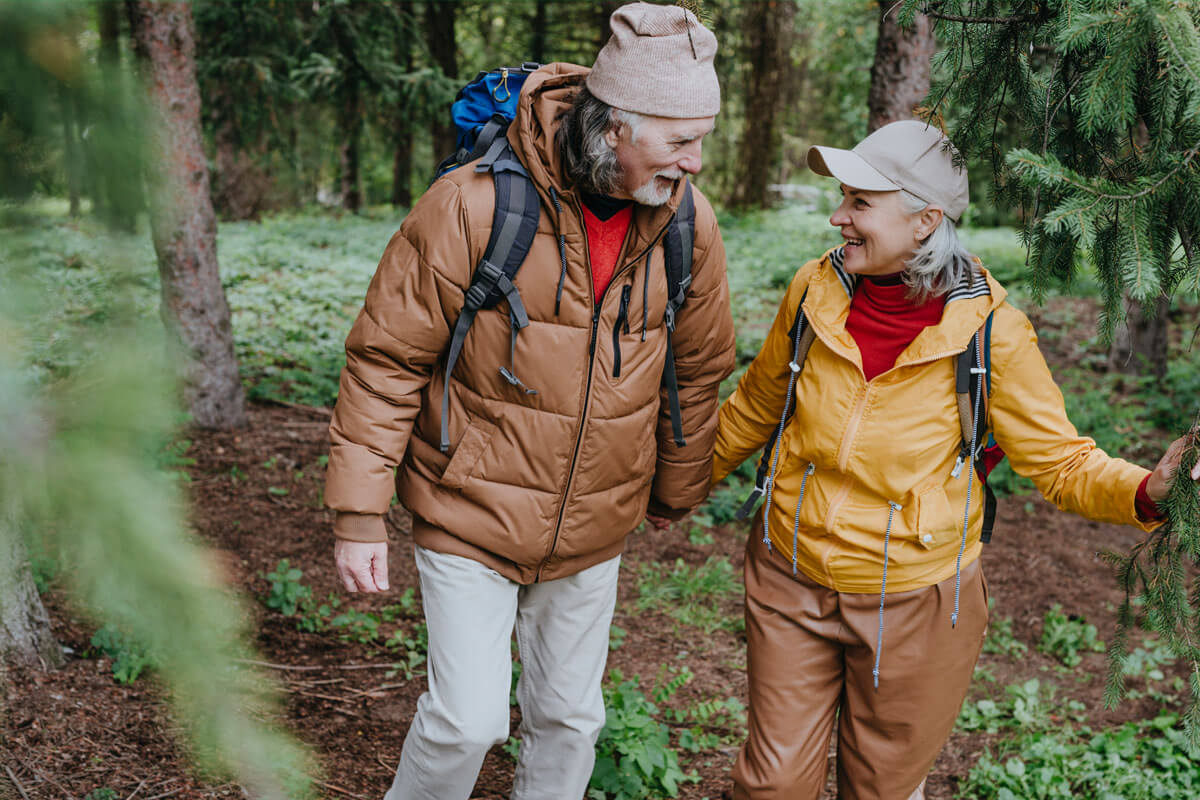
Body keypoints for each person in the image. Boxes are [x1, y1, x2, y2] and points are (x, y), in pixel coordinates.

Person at [712, 119, 1199, 800]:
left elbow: (1059, 461)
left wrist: (1150, 490)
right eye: (843, 198)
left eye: (860, 202)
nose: (837, 216)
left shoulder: (992, 333)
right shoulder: (812, 291)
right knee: (770, 786)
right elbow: (756, 407)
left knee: (882, 790)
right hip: (789, 578)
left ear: (924, 221)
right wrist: (662, 487)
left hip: (916, 598)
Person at [322, 4, 735, 799]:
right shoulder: (476, 205)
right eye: (680, 140)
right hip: (467, 507)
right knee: (467, 721)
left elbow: (696, 367)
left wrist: (673, 489)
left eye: (703, 139)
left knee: (572, 722)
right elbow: (386, 357)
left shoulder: (688, 224)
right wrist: (359, 514)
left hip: (592, 523)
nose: (695, 162)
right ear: (616, 126)